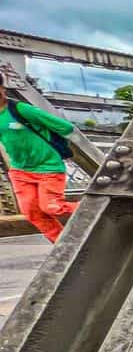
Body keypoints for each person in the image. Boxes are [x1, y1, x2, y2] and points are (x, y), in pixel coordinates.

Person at [0, 82, 79, 242]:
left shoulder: (20, 109)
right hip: (20, 170)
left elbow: (65, 127)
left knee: (52, 206)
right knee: (31, 211)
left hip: (48, 167)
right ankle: (63, 244)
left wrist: (45, 139)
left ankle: (92, 207)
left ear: (2, 88)